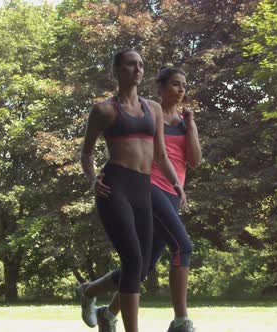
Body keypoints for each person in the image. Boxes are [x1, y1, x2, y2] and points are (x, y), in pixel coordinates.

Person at [79, 50, 186, 332]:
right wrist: (92, 180)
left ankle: (90, 294)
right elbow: (86, 154)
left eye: (141, 65)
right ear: (116, 69)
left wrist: (176, 184)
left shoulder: (152, 108)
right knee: (133, 258)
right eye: (130, 64)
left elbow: (161, 156)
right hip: (115, 187)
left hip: (144, 189)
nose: (137, 69)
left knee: (139, 268)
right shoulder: (104, 110)